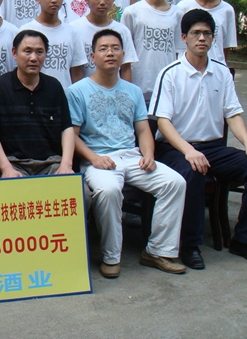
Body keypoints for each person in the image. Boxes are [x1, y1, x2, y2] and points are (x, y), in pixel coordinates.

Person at [150, 9, 247, 269]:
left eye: (207, 33)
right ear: (184, 37)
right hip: (175, 148)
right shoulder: (170, 73)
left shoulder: (221, 72)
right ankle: (190, 245)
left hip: (213, 148)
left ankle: (244, 240)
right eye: (196, 33)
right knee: (194, 170)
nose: (202, 38)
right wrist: (188, 151)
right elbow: (163, 122)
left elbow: (233, 113)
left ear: (213, 38)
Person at [67, 29, 186, 278]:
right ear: (92, 56)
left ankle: (158, 251)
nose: (110, 53)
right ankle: (111, 256)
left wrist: (148, 154)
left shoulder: (133, 91)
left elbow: (143, 129)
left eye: (115, 48)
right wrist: (93, 158)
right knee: (109, 191)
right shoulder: (77, 91)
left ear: (123, 54)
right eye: (103, 49)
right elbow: (72, 135)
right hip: (98, 160)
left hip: (132, 157)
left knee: (175, 182)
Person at [0, 30, 75, 177]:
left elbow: (67, 129)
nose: (33, 58)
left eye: (39, 52)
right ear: (14, 53)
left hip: (51, 164)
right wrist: (6, 168)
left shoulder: (54, 86)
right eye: (27, 51)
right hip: (13, 164)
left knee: (81, 189)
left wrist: (66, 165)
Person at [120, 0, 182, 102]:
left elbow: (180, 53)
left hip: (167, 89)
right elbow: (124, 52)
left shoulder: (178, 14)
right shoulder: (132, 12)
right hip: (138, 87)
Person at [20, 0, 86, 89]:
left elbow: (76, 74)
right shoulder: (25, 31)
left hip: (64, 97)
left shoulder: (72, 32)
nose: (54, 0)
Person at [70, 0, 137, 81]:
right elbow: (75, 71)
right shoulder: (74, 29)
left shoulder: (122, 30)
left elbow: (125, 68)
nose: (102, 2)